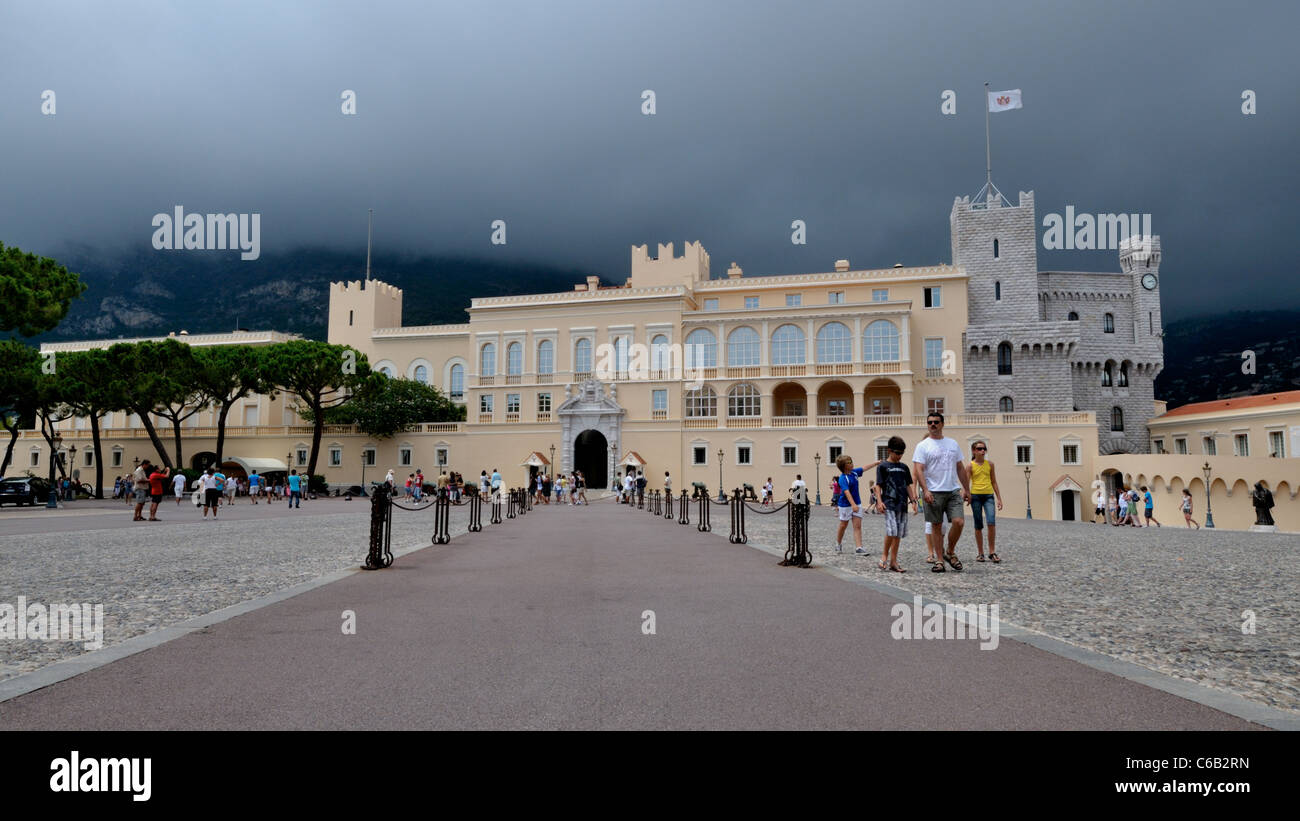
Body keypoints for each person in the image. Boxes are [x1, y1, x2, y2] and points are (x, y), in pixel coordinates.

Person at [912, 411, 970, 573]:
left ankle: (950, 551)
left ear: (942, 424)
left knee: (959, 522)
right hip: (933, 491)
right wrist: (925, 490)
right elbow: (919, 469)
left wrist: (967, 489)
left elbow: (960, 467)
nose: (933, 425)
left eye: (936, 422)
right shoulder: (922, 446)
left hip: (953, 490)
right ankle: (939, 560)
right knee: (936, 526)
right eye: (930, 422)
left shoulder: (952, 444)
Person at [875, 436, 918, 572]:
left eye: (902, 453)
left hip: (902, 504)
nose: (899, 456)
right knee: (891, 530)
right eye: (897, 453)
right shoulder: (883, 466)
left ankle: (894, 561)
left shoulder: (904, 467)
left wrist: (914, 501)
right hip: (889, 503)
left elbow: (908, 486)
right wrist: (879, 502)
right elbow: (878, 486)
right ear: (889, 451)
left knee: (898, 533)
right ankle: (884, 556)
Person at [833, 454, 878, 554]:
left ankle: (859, 547)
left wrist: (876, 463)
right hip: (845, 505)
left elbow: (864, 468)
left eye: (851, 461)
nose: (851, 463)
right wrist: (853, 505)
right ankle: (838, 543)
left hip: (857, 503)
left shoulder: (854, 473)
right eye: (849, 462)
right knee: (843, 525)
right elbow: (846, 492)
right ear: (844, 466)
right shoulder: (843, 478)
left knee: (857, 526)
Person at [968, 440, 1004, 563]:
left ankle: (992, 552)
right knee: (978, 525)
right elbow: (966, 482)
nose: (982, 451)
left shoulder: (990, 465)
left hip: (989, 495)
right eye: (979, 449)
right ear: (974, 451)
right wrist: (966, 495)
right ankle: (980, 553)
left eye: (984, 449)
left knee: (991, 522)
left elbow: (994, 481)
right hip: (975, 496)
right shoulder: (970, 465)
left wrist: (999, 498)